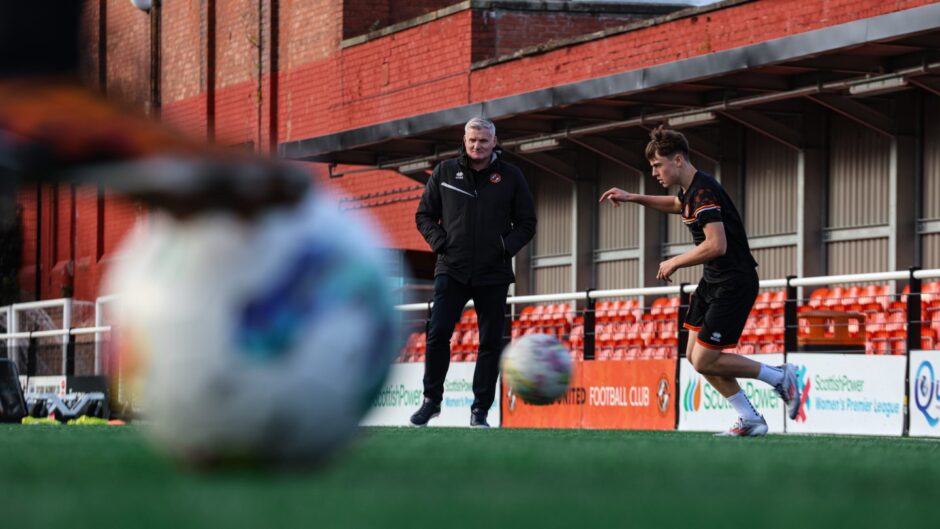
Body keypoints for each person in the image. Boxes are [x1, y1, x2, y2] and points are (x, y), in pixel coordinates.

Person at [599, 125, 801, 436]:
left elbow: (716, 245)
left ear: (677, 160)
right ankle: (750, 418)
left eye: (657, 165)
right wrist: (631, 197)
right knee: (696, 357)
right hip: (714, 280)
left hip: (734, 281)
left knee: (706, 357)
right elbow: (676, 205)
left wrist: (675, 261)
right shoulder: (691, 190)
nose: (655, 172)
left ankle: (779, 377)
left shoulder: (704, 191)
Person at [412, 117, 536, 428]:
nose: (477, 146)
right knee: (438, 333)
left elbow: (527, 223)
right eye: (472, 141)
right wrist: (440, 243)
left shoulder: (511, 176)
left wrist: (504, 247)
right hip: (450, 268)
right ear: (464, 141)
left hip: (493, 272)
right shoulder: (443, 172)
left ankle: (480, 409)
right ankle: (431, 401)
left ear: (494, 142)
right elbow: (424, 215)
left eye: (483, 140)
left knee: (491, 342)